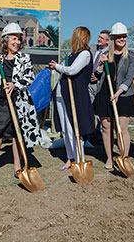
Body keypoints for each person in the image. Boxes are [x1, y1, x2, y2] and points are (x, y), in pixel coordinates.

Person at [0, 22, 41, 178]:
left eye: (18, 39)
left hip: (19, 103)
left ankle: (17, 165)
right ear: (5, 40)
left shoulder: (25, 58)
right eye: (13, 39)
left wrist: (15, 85)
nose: (16, 42)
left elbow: (30, 77)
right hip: (1, 102)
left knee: (17, 133)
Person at [92, 22, 134, 169]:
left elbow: (130, 77)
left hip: (123, 95)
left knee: (122, 128)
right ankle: (110, 158)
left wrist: (118, 93)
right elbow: (98, 74)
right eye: (118, 37)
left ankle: (124, 157)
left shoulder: (132, 56)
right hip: (105, 93)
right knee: (106, 127)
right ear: (112, 38)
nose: (121, 39)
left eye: (123, 36)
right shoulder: (105, 55)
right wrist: (100, 65)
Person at [48, 26, 95, 170]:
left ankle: (80, 159)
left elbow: (73, 70)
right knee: (66, 130)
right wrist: (57, 66)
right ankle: (70, 159)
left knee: (75, 128)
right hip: (62, 95)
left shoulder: (85, 54)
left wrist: (58, 67)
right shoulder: (71, 55)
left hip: (75, 96)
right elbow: (65, 67)